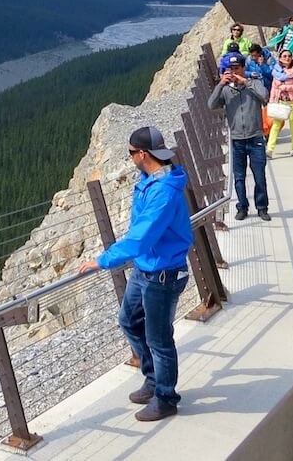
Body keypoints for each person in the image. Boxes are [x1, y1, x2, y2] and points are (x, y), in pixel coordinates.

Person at [77, 126, 193, 422]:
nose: (129, 157)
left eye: (130, 152)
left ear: (142, 154)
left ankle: (166, 397)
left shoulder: (163, 193)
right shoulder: (149, 181)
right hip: (146, 268)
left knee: (159, 339)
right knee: (129, 320)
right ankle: (153, 379)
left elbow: (141, 237)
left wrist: (102, 261)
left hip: (163, 274)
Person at [208, 54, 270, 222]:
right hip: (237, 139)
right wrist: (221, 84)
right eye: (231, 69)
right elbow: (211, 104)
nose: (234, 72)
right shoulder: (227, 89)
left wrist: (246, 82)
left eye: (237, 68)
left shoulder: (254, 82)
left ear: (243, 68)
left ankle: (262, 207)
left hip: (255, 137)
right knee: (239, 176)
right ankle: (242, 207)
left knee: (259, 175)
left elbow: (265, 96)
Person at [266, 49, 293, 156]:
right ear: (280, 58)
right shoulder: (277, 72)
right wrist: (272, 101)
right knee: (276, 125)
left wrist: (286, 87)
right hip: (280, 101)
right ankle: (270, 149)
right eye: (284, 56)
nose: (287, 58)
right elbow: (274, 88)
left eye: (289, 56)